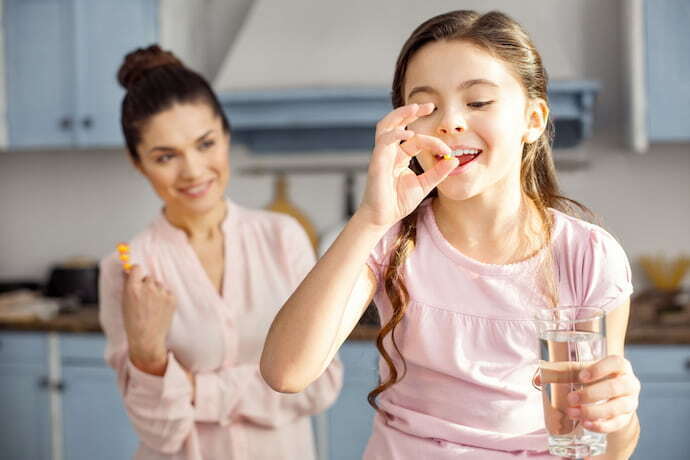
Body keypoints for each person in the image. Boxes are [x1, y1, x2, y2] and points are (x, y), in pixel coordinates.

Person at [261, 10, 640, 459]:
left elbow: (605, 449)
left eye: (478, 102)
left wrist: (619, 414)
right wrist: (371, 216)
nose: (450, 122)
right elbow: (285, 373)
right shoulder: (386, 240)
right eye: (427, 107)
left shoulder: (588, 256)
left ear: (533, 119)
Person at [99, 45, 342, 460]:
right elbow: (161, 433)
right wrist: (147, 354)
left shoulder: (283, 238)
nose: (193, 170)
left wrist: (194, 389)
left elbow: (320, 385)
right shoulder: (128, 269)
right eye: (165, 156)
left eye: (205, 143)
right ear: (137, 162)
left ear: (226, 135)